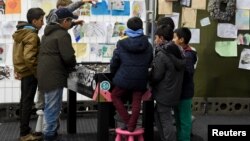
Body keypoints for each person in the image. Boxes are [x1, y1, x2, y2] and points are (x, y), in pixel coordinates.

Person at [37, 8, 77, 141]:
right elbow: (68, 56)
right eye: (70, 21)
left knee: (49, 105)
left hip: (44, 73)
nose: (71, 24)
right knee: (53, 107)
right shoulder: (63, 35)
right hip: (54, 74)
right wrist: (73, 65)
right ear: (65, 21)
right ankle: (49, 135)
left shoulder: (47, 33)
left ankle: (50, 132)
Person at [110, 17, 153, 132]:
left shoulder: (121, 43)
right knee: (136, 101)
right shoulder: (148, 45)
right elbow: (150, 61)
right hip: (141, 78)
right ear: (141, 28)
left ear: (128, 28)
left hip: (124, 77)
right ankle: (131, 125)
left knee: (115, 95)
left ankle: (128, 121)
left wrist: (114, 73)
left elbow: (115, 61)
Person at [12, 8, 45, 141]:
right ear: (34, 21)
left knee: (24, 101)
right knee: (27, 102)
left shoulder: (22, 32)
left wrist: (17, 69)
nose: (43, 23)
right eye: (41, 20)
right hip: (30, 73)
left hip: (24, 71)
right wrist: (38, 73)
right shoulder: (31, 35)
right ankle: (24, 134)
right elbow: (29, 57)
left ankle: (24, 130)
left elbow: (17, 54)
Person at [149, 25, 185, 141]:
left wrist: (149, 75)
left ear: (162, 38)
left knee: (166, 120)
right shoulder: (179, 50)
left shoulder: (162, 54)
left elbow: (157, 75)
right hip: (173, 90)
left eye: (156, 38)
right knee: (159, 116)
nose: (155, 40)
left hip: (164, 92)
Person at [173, 27, 197, 141]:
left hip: (185, 93)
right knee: (177, 119)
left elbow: (188, 73)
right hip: (178, 92)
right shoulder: (179, 52)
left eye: (174, 37)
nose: (173, 39)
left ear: (181, 39)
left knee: (185, 121)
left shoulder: (189, 55)